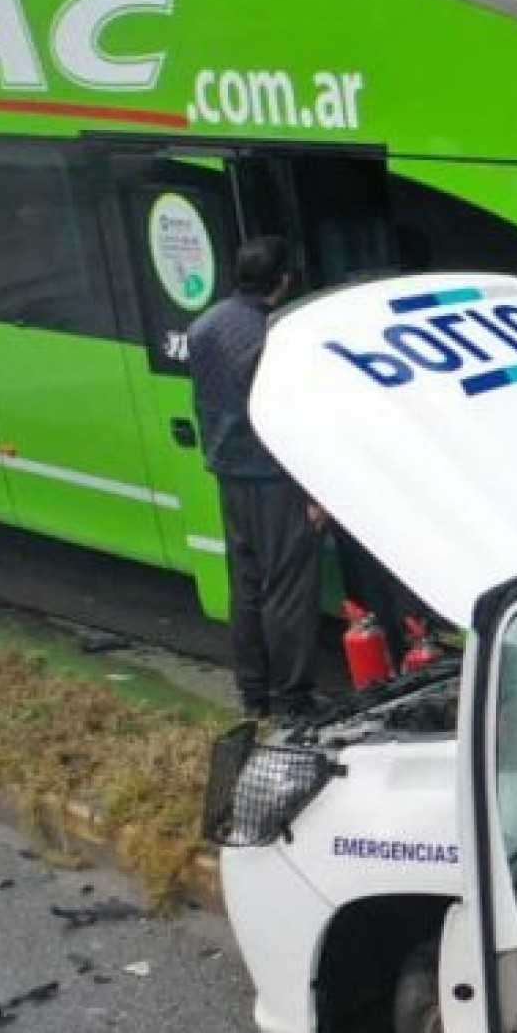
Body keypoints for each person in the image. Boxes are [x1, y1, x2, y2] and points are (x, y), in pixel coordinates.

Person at [190, 235, 322, 719]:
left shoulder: (204, 325)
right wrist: (314, 489)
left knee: (247, 589)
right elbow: (284, 418)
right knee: (287, 592)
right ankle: (293, 701)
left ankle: (254, 696)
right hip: (273, 479)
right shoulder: (273, 337)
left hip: (229, 473)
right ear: (284, 280)